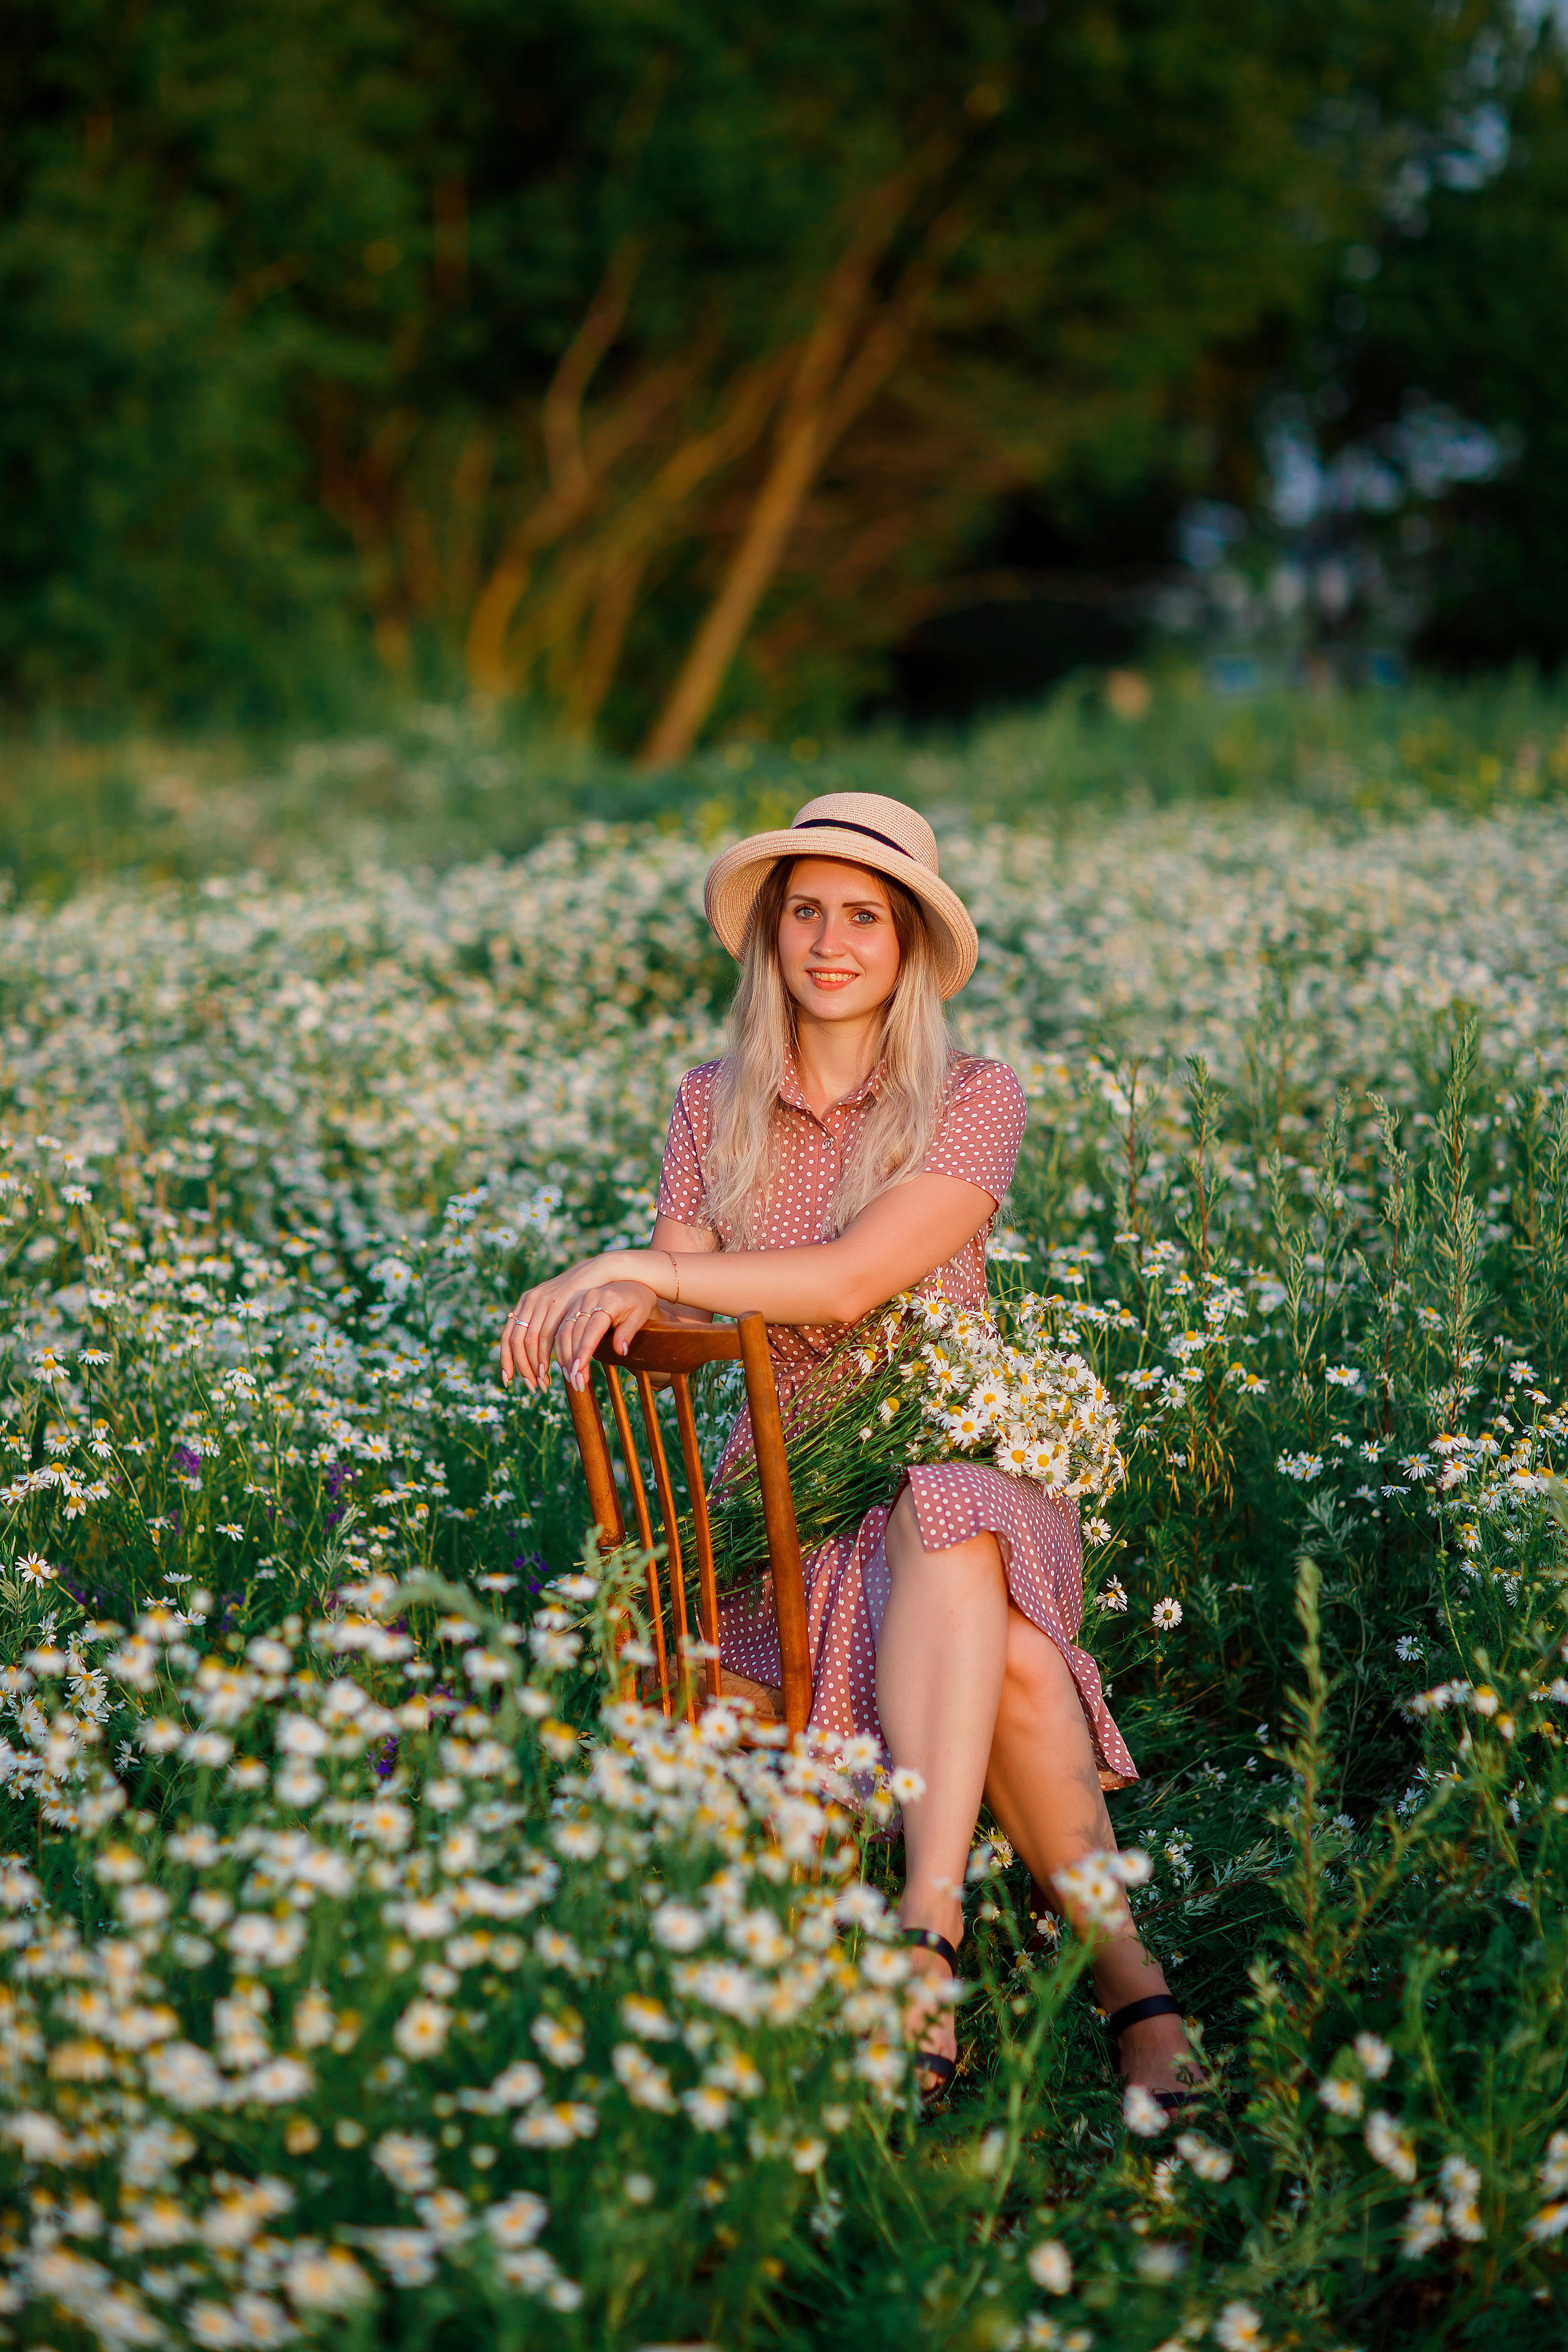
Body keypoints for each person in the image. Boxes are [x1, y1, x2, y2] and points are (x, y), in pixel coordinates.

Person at [500, 791, 1196, 2111]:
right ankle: (1134, 1998)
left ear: (908, 946)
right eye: (805, 911)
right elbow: (700, 1292)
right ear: (771, 934)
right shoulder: (711, 1103)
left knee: (944, 1504)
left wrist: (629, 1260)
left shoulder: (974, 1096)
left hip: (963, 1465)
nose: (830, 941)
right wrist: (644, 1295)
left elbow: (840, 1284)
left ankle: (917, 1949)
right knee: (1019, 1676)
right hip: (787, 1506)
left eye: (862, 917)